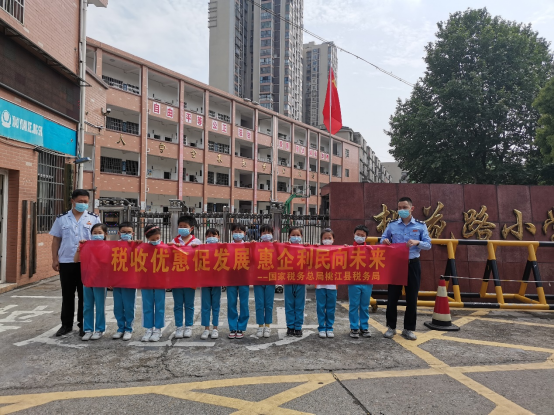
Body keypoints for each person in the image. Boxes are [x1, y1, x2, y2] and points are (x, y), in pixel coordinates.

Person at [50, 189, 101, 337]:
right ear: (72, 201)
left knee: (84, 295)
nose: (83, 204)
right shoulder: (62, 219)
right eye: (80, 201)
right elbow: (56, 239)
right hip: (66, 261)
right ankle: (66, 325)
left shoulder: (93, 218)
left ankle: (83, 325)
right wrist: (55, 259)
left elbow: (101, 239)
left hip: (86, 262)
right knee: (67, 294)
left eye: (85, 202)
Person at [381, 197, 432, 341]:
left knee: (412, 298)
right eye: (399, 208)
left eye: (405, 207)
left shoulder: (421, 226)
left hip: (413, 264)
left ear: (412, 208)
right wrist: (385, 241)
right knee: (392, 297)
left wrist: (417, 242)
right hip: (396, 265)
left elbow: (428, 244)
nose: (402, 210)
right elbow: (383, 238)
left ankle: (408, 329)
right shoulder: (392, 225)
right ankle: (391, 327)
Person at [74, 223, 108, 341]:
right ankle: (88, 329)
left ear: (105, 234)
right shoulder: (86, 246)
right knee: (87, 306)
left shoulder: (108, 247)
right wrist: (79, 249)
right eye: (94, 233)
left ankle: (99, 329)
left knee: (100, 306)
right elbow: (76, 260)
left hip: (100, 281)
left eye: (100, 233)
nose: (97, 235)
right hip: (88, 280)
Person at [169, 215, 201, 339]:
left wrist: (197, 250)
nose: (182, 228)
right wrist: (170, 248)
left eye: (185, 226)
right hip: (176, 278)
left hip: (190, 278)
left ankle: (188, 326)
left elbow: (202, 258)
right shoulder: (174, 241)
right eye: (180, 226)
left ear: (191, 228)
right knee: (177, 304)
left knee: (189, 304)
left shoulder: (196, 242)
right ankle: (178, 327)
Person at [112, 222, 138, 341]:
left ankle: (129, 329)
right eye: (123, 232)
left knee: (129, 306)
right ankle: (120, 328)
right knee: (118, 306)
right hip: (117, 280)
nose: (126, 234)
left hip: (130, 281)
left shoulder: (136, 245)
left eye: (128, 232)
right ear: (119, 233)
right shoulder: (113, 246)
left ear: (133, 233)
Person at [141, 224, 167, 343]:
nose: (156, 241)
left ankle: (158, 329)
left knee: (160, 306)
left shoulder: (165, 248)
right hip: (146, 281)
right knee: (147, 305)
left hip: (160, 281)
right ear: (147, 238)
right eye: (152, 239)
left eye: (157, 238)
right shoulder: (143, 248)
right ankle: (148, 328)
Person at [348, 225, 373, 339]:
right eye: (358, 234)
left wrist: (372, 252)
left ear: (366, 237)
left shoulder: (370, 249)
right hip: (353, 281)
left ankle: (364, 327)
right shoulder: (348, 249)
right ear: (353, 235)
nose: (360, 237)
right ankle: (354, 328)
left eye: (362, 235)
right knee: (353, 305)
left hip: (367, 281)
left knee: (364, 306)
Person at [227, 223, 250, 340]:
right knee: (231, 303)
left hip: (244, 278)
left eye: (240, 232)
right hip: (231, 278)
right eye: (235, 232)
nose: (238, 234)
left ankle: (241, 327)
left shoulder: (248, 246)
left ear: (244, 234)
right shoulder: (227, 246)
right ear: (232, 233)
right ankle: (232, 327)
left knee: (244, 303)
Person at [254, 224, 275, 339]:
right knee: (259, 304)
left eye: (268, 233)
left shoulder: (275, 246)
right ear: (260, 234)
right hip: (258, 279)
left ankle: (267, 326)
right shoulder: (256, 246)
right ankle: (260, 326)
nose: (266, 235)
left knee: (269, 304)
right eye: (264, 233)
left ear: (272, 234)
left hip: (271, 279)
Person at [200, 228, 222, 340]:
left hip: (217, 281)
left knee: (216, 305)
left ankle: (215, 328)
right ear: (205, 237)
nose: (211, 237)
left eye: (214, 235)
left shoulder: (222, 248)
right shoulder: (202, 248)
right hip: (205, 281)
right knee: (205, 305)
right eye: (209, 236)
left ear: (218, 237)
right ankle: (206, 328)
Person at [316, 228, 337, 339]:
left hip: (332, 284)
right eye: (325, 238)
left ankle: (329, 327)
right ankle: (321, 327)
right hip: (320, 284)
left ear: (333, 240)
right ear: (321, 239)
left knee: (331, 307)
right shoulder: (317, 250)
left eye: (329, 238)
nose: (327, 240)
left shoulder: (338, 251)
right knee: (320, 307)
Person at [285, 227, 305, 337]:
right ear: (289, 236)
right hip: (288, 279)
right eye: (293, 235)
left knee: (299, 304)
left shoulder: (305, 248)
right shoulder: (285, 247)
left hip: (301, 280)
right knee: (289, 304)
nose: (295, 237)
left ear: (301, 237)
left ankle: (298, 327)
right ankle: (290, 326)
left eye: (298, 235)